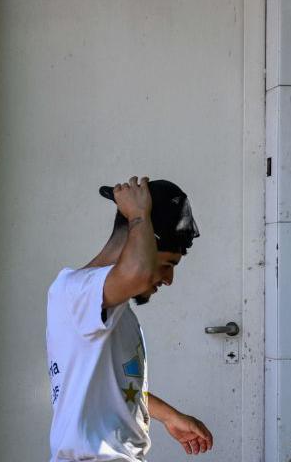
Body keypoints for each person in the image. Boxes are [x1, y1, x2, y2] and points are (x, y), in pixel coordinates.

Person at [46, 176, 213, 461]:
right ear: (136, 242)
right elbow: (140, 274)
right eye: (167, 265)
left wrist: (169, 416)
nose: (168, 280)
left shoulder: (112, 310)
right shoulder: (75, 292)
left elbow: (117, 391)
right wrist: (137, 215)